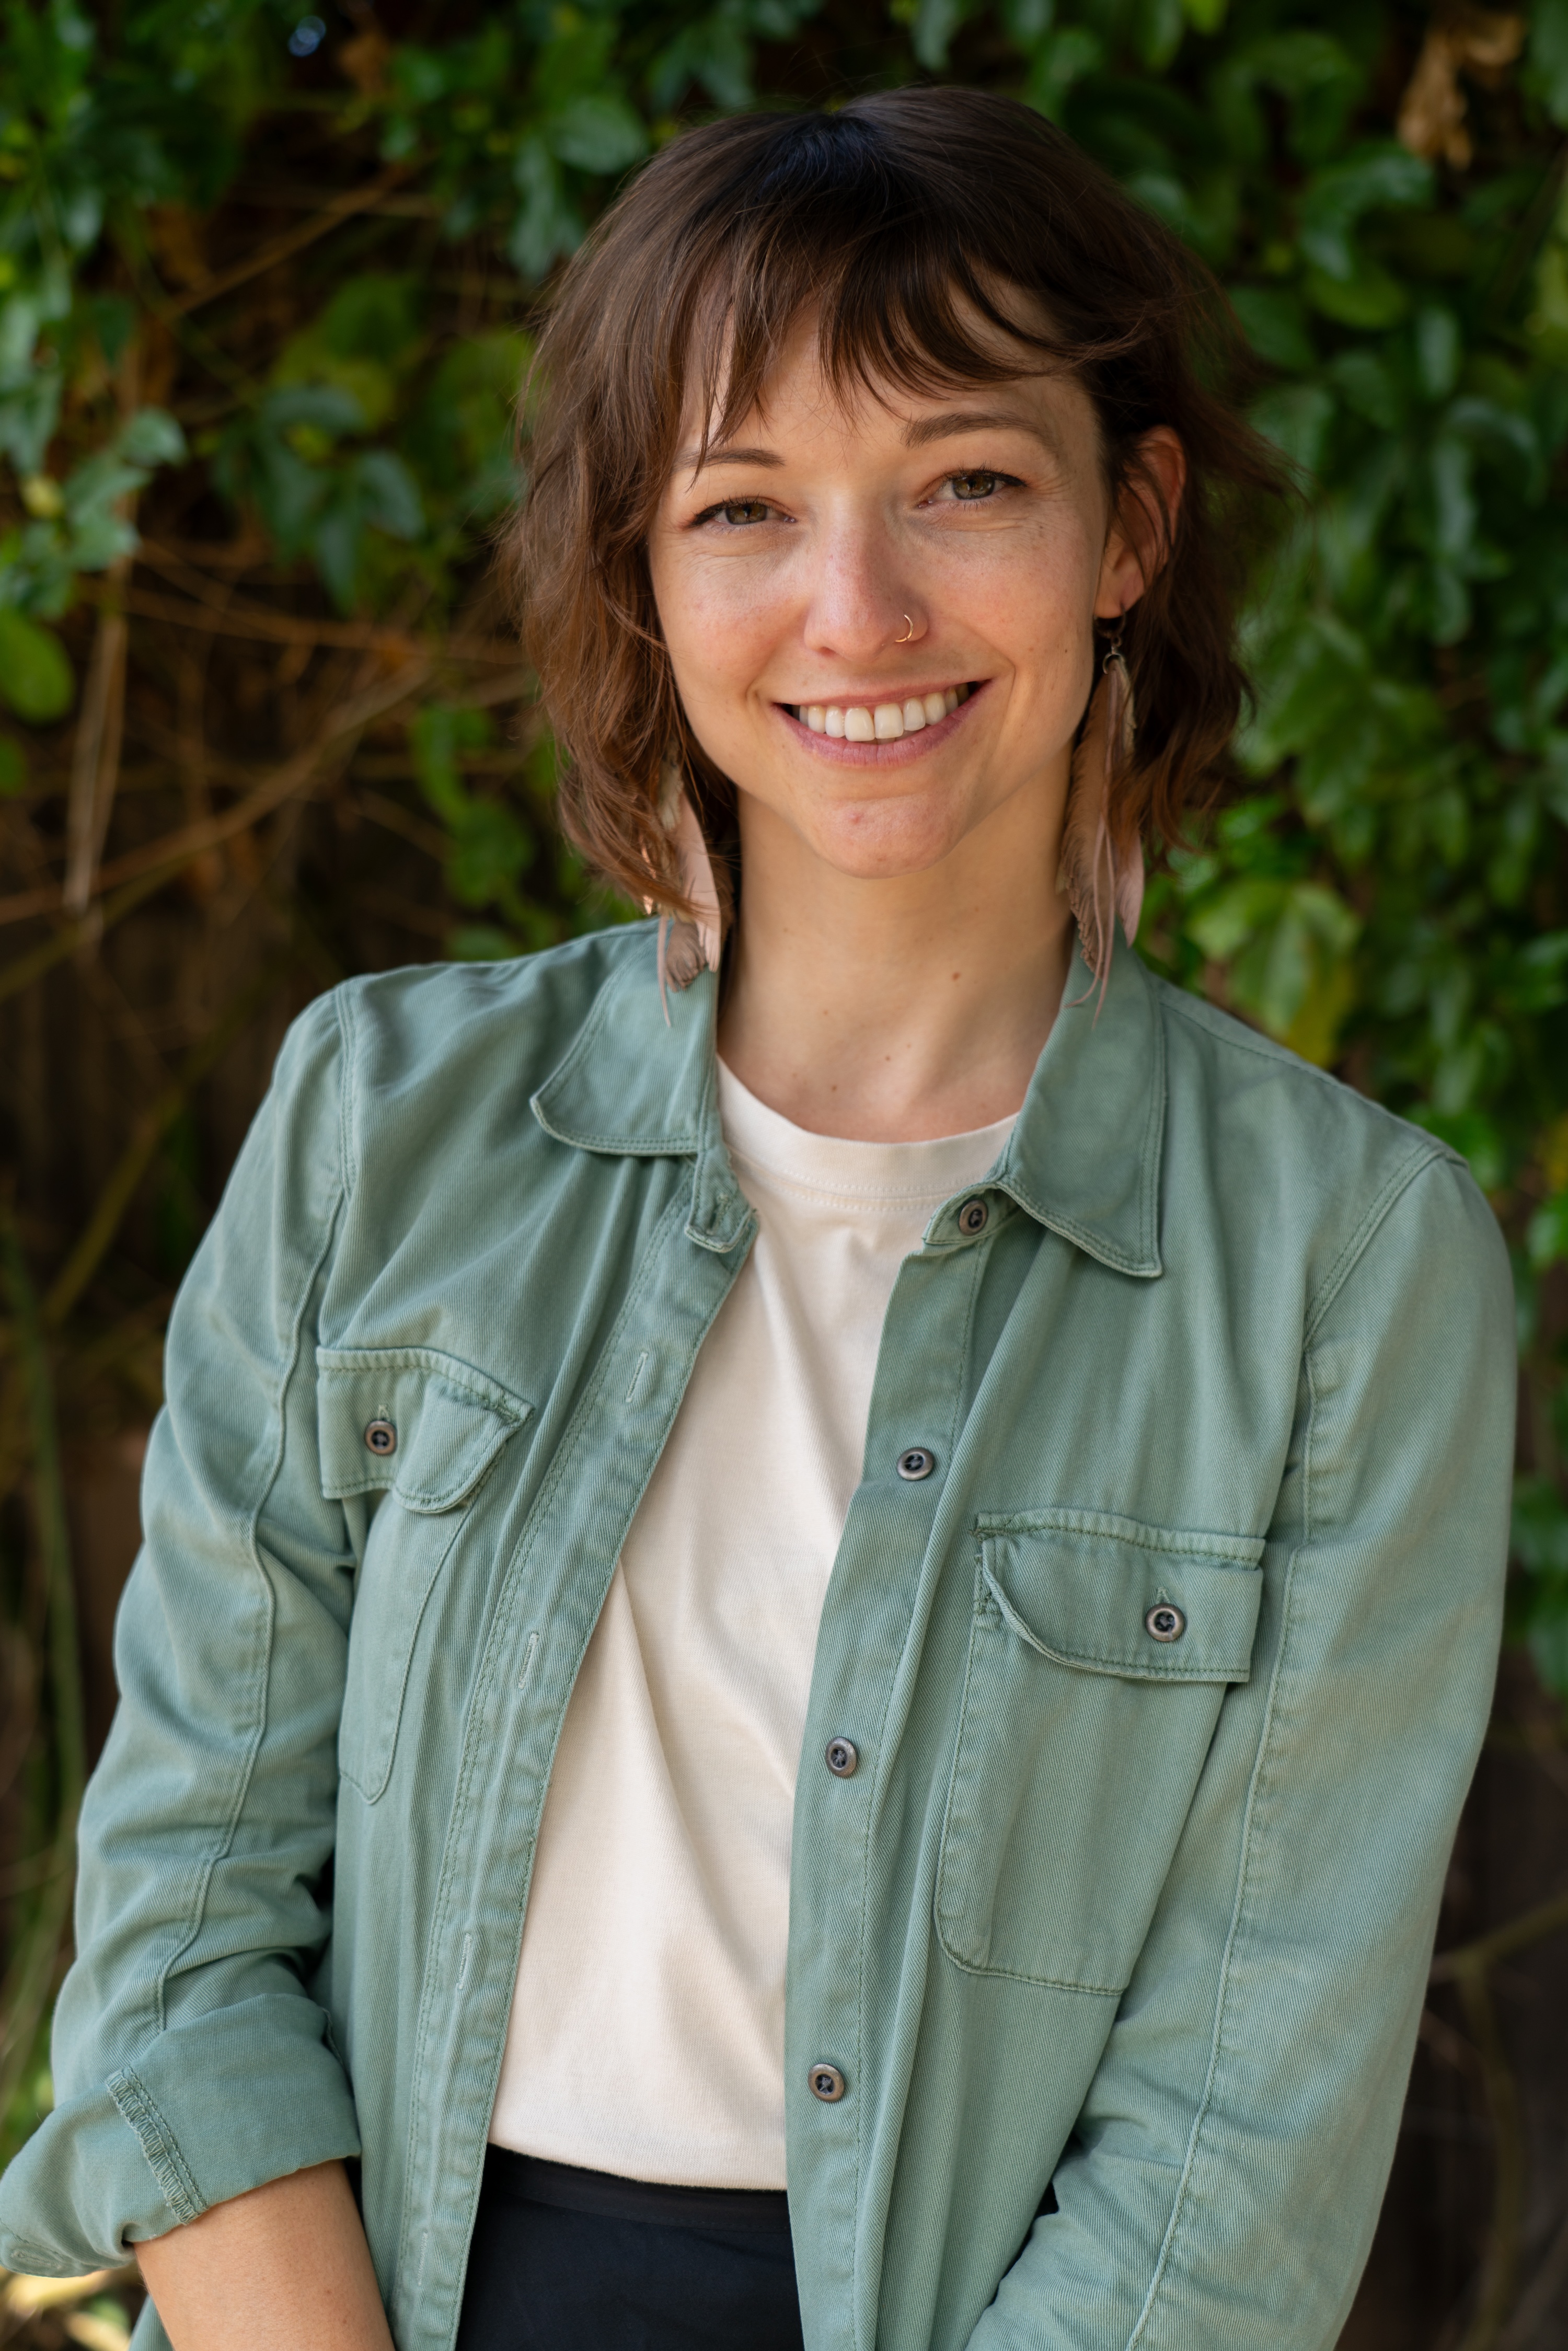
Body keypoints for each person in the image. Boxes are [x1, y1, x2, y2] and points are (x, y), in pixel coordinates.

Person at [0, 88, 1515, 2351]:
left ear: (1129, 527)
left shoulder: (1348, 1269)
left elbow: (1233, 2157)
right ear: (643, 569)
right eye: (742, 507)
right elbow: (182, 1929)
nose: (856, 609)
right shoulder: (377, 1128)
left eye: (966, 483)